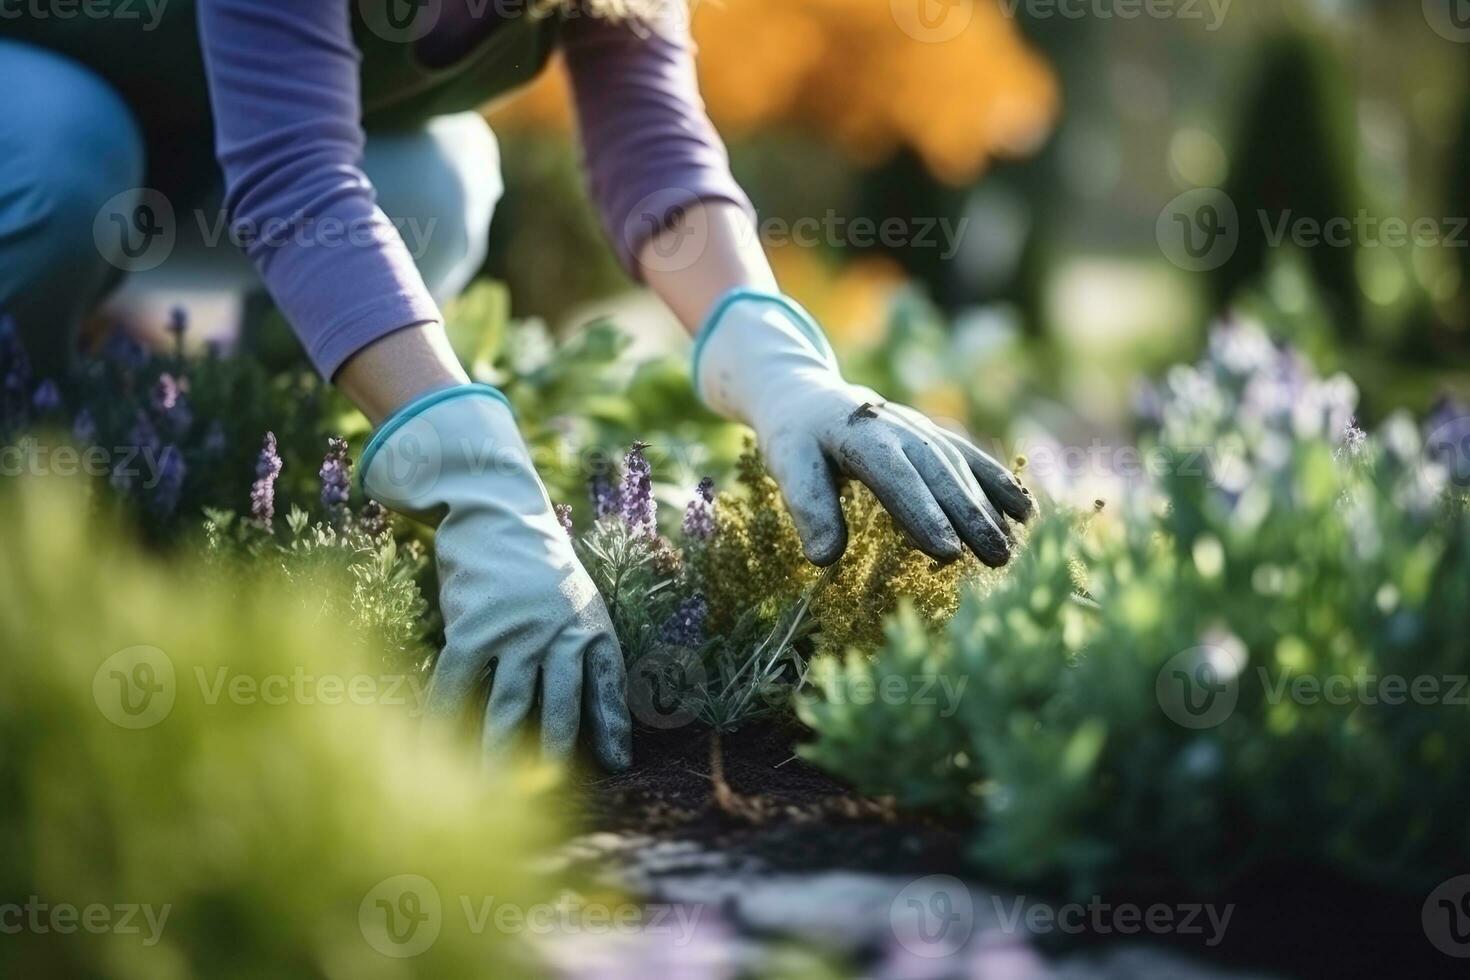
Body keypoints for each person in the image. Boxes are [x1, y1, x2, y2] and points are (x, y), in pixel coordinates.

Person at [0, 0, 1033, 771]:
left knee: (440, 185)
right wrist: (474, 478)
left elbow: (660, 157)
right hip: (44, 99)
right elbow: (297, 179)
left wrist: (783, 364)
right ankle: (31, 496)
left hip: (196, 149)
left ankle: (232, 471)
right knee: (67, 156)